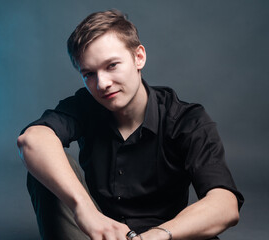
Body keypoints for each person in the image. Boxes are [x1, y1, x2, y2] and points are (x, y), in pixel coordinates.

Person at [17, 9, 244, 240]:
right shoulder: (85, 105)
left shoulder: (186, 119)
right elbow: (32, 140)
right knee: (45, 164)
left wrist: (154, 237)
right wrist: (83, 209)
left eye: (112, 65)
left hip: (165, 237)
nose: (102, 83)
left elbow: (225, 204)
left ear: (139, 57)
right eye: (89, 74)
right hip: (98, 235)